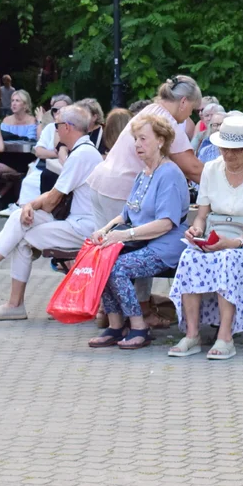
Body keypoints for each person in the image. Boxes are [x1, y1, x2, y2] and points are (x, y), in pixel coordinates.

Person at [0, 105, 103, 320]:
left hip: (83, 227)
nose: (55, 130)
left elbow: (53, 199)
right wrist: (28, 206)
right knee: (19, 218)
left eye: (57, 125)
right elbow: (54, 196)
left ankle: (10, 300)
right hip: (78, 222)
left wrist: (31, 206)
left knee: (22, 236)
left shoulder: (81, 155)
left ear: (68, 127)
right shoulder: (83, 151)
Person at [85, 76, 203, 316]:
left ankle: (110, 314)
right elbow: (192, 168)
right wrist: (222, 182)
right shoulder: (165, 122)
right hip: (120, 189)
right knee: (136, 246)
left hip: (102, 183)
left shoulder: (150, 110)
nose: (190, 116)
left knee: (114, 253)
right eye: (192, 109)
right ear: (183, 102)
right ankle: (139, 314)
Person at [168, 113, 243, 360]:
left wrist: (235, 242)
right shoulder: (211, 169)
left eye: (236, 151)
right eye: (225, 149)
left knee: (228, 259)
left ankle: (225, 336)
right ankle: (192, 334)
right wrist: (196, 230)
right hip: (214, 237)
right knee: (189, 257)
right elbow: (201, 215)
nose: (229, 155)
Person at [86, 115, 190, 350]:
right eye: (135, 139)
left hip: (167, 243)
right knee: (101, 261)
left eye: (143, 139)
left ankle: (138, 326)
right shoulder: (144, 173)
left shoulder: (169, 174)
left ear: (161, 141)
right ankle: (115, 326)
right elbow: (126, 214)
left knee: (118, 268)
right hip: (143, 241)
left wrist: (124, 235)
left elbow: (166, 223)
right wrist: (103, 230)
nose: (137, 144)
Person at [0, 95, 66, 217]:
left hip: (54, 166)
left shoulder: (68, 128)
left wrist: (52, 153)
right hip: (38, 161)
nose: (57, 113)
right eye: (54, 110)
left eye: (17, 100)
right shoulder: (50, 127)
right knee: (29, 176)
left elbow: (56, 149)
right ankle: (22, 208)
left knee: (30, 173)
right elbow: (39, 150)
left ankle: (25, 208)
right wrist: (53, 154)